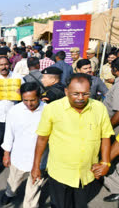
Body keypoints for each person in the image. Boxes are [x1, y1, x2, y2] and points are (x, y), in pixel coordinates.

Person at [31, 73, 114, 208]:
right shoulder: (52, 109)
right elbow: (42, 139)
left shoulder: (99, 108)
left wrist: (105, 162)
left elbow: (105, 136)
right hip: (60, 173)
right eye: (75, 94)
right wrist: (36, 166)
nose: (80, 98)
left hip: (86, 173)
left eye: (85, 93)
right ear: (66, 91)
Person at [1, 82, 46, 207]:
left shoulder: (48, 110)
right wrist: (6, 154)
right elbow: (9, 134)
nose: (29, 104)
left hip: (40, 157)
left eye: (33, 100)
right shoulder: (14, 111)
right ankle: (9, 193)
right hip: (19, 155)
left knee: (34, 187)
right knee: (14, 180)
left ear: (40, 97)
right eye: (25, 100)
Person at [0, 56, 24, 170]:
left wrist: (21, 93)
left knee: (13, 139)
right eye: (1, 65)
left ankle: (11, 159)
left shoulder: (18, 77)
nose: (4, 67)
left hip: (13, 115)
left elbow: (26, 96)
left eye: (6, 64)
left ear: (10, 65)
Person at [102, 58, 119, 202]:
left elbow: (118, 112)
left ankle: (115, 188)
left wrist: (108, 127)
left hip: (114, 128)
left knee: (106, 157)